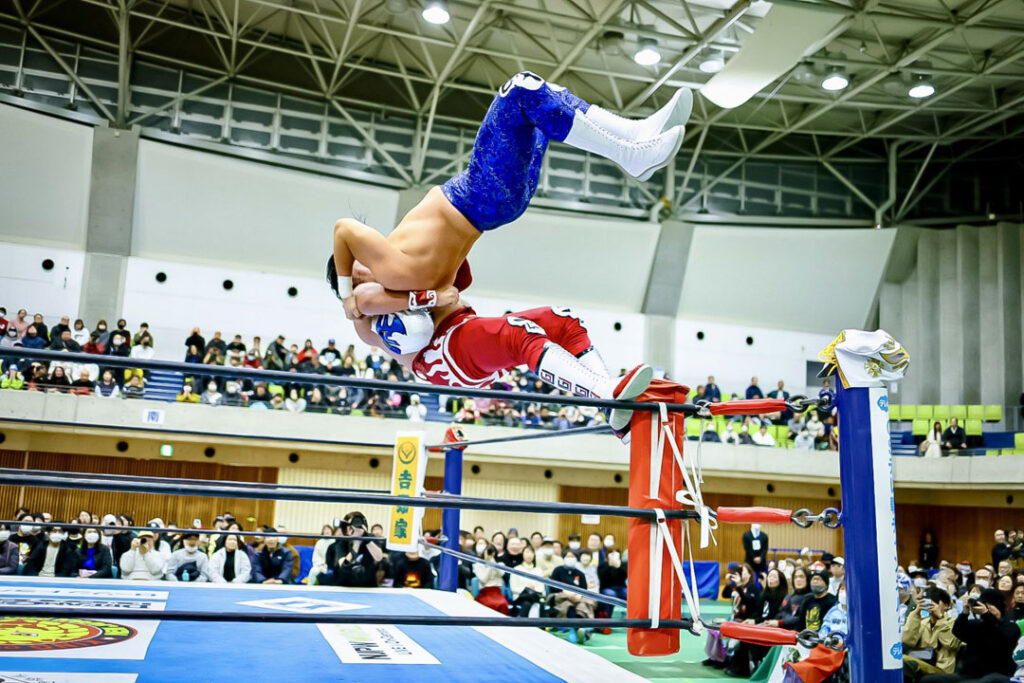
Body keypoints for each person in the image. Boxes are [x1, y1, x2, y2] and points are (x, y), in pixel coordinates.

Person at [330, 71, 691, 321]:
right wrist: (347, 294)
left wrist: (418, 299)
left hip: (497, 203)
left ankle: (634, 135)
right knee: (521, 89)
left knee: (545, 100)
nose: (363, 256)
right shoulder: (391, 271)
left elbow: (450, 292)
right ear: (360, 279)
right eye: (356, 264)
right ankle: (629, 151)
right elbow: (344, 229)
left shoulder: (410, 283)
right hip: (480, 193)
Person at [341, 263, 652, 438]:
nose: (371, 268)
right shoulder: (363, 306)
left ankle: (613, 408)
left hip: (462, 334)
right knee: (519, 334)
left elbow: (459, 280)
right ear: (348, 281)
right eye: (360, 270)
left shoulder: (394, 276)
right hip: (443, 355)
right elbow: (440, 297)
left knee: (563, 320)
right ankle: (603, 392)